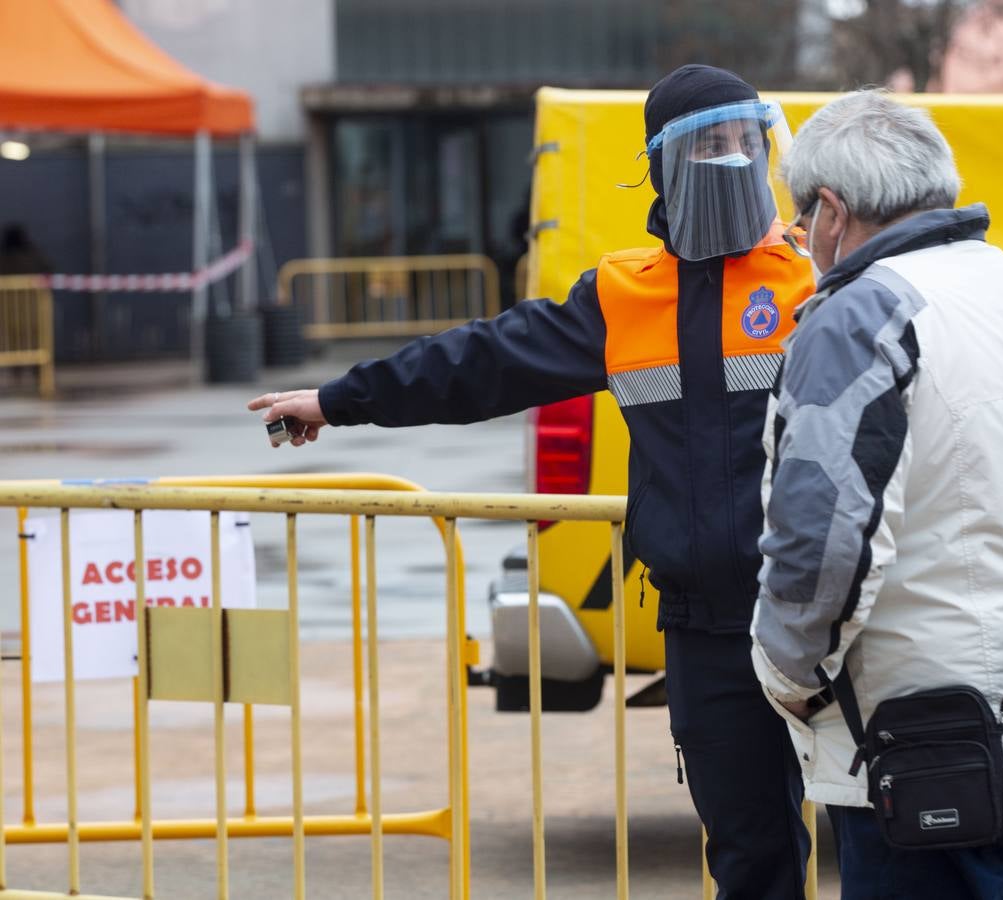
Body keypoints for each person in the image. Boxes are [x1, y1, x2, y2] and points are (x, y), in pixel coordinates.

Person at [249, 65, 815, 898]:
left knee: (881, 846)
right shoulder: (625, 297)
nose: (734, 161)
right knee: (750, 856)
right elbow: (483, 363)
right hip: (707, 633)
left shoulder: (814, 279)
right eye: (710, 147)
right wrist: (338, 400)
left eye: (744, 142)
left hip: (822, 617)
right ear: (664, 169)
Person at [751, 90, 1003, 899]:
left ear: (832, 210)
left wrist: (785, 677)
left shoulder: (858, 315)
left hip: (922, 746)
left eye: (801, 224)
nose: (805, 242)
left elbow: (820, 548)